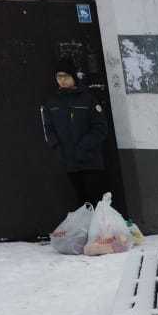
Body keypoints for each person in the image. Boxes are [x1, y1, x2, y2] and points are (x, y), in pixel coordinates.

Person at [41, 58, 109, 208]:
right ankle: (84, 229)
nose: (62, 80)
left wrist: (83, 146)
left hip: (90, 161)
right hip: (69, 163)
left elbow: (101, 128)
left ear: (73, 77)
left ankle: (100, 230)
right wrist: (58, 149)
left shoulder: (88, 99)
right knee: (80, 202)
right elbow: (48, 129)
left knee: (96, 201)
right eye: (59, 77)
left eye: (66, 76)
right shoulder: (51, 103)